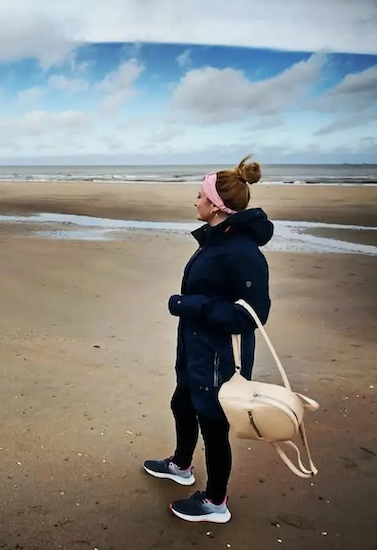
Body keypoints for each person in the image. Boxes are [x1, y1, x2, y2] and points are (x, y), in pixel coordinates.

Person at [143, 155, 274, 524]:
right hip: (195, 347)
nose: (195, 201)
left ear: (217, 206)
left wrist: (192, 305)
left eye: (200, 196)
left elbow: (251, 314)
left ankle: (216, 501)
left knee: (213, 424)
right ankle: (181, 465)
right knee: (182, 405)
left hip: (217, 355)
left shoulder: (242, 252)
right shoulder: (217, 242)